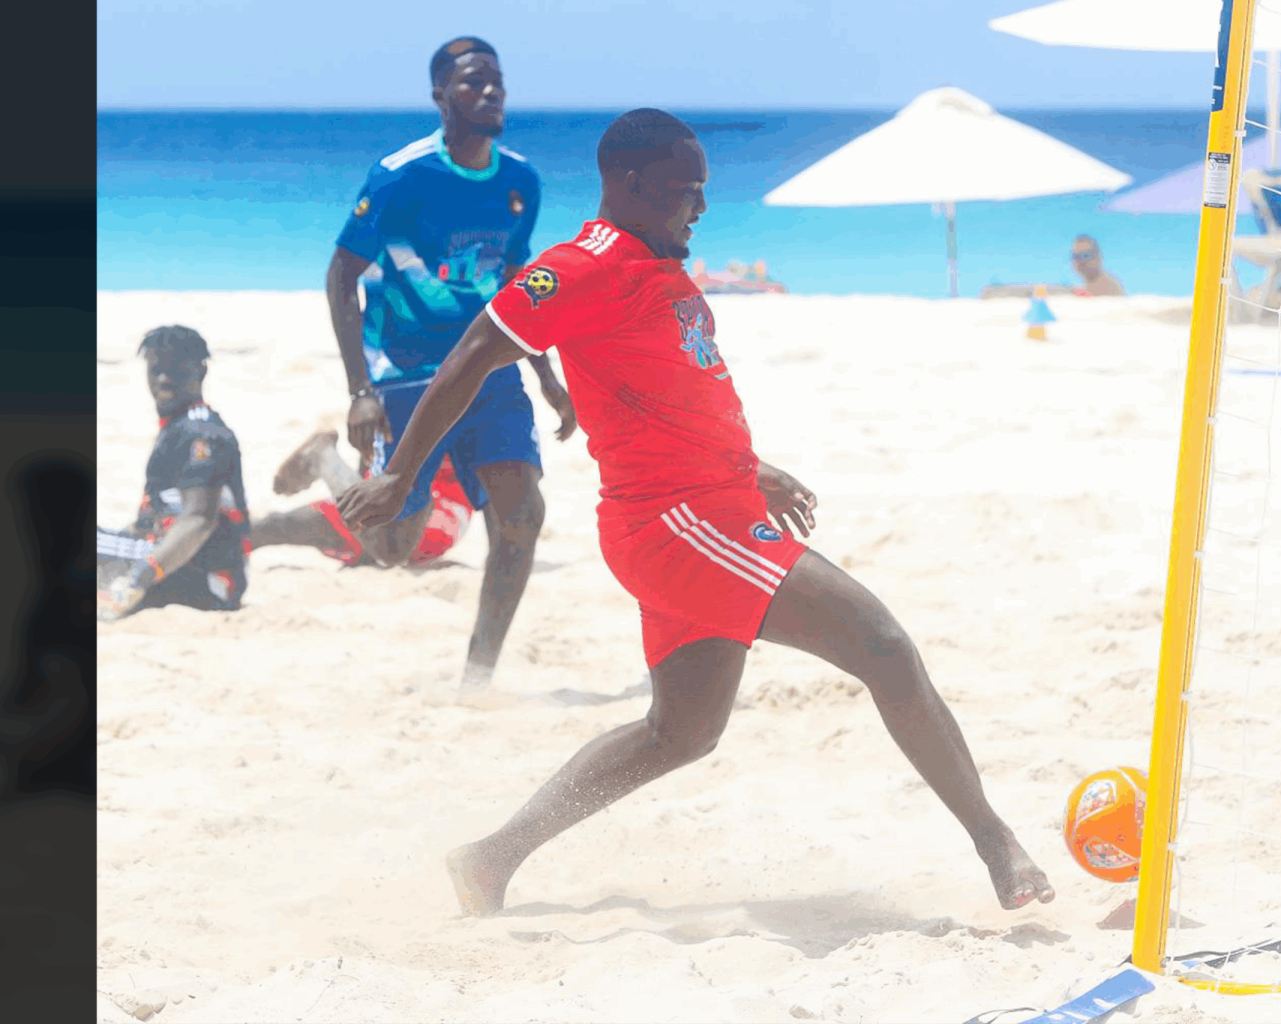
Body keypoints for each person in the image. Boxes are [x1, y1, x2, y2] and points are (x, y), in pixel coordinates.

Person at [338, 108, 1056, 917]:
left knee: (679, 734)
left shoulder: (657, 266)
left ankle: (489, 860)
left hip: (706, 509)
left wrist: (753, 469)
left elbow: (674, 401)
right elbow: (475, 349)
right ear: (633, 183)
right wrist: (402, 474)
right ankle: (996, 842)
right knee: (883, 646)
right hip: (679, 526)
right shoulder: (581, 266)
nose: (702, 207)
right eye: (690, 189)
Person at [327, 36, 577, 694]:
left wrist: (547, 373)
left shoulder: (521, 180)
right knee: (392, 545)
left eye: (497, 80)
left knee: (521, 514)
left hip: (493, 372)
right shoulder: (399, 174)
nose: (490, 91)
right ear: (440, 96)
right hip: (408, 372)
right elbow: (339, 277)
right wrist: (360, 389)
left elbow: (518, 284)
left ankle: (477, 678)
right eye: (471, 83)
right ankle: (327, 464)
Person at [97, 326, 251, 621]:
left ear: (200, 371)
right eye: (155, 371)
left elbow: (199, 519)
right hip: (183, 570)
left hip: (200, 579)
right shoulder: (181, 426)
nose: (163, 380)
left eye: (175, 371)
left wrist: (135, 582)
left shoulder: (201, 434)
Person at [247, 431, 472, 570]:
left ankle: (325, 459)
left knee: (274, 527)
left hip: (421, 509)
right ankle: (325, 460)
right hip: (415, 506)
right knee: (271, 528)